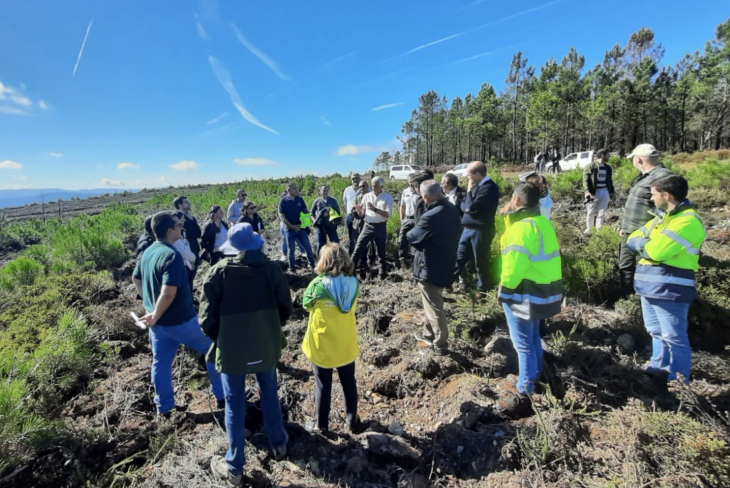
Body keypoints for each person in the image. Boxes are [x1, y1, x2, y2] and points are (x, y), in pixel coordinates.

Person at [200, 223, 293, 485]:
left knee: (234, 404)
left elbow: (206, 320)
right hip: (265, 344)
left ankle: (235, 468)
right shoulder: (272, 269)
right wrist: (268, 328)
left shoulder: (217, 273)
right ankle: (279, 445)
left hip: (231, 350)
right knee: (269, 392)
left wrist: (225, 336)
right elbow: (285, 308)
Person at [132, 211, 224, 416]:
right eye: (178, 225)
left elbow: (136, 278)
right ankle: (222, 396)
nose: (182, 227)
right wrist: (156, 311)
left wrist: (151, 308)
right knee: (214, 348)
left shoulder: (148, 251)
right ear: (169, 230)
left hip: (158, 325)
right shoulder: (171, 255)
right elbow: (168, 292)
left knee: (161, 363)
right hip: (179, 320)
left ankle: (164, 408)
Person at [627, 175, 706, 384]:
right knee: (655, 332)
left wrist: (644, 244)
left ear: (666, 194)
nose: (651, 199)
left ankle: (678, 381)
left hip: (671, 288)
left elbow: (655, 251)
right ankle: (658, 368)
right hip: (650, 286)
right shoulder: (662, 218)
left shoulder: (687, 221)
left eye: (653, 194)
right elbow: (631, 238)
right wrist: (644, 243)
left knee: (673, 337)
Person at [496, 182, 563, 417]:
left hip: (524, 293)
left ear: (516, 200)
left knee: (522, 343)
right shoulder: (542, 222)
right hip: (544, 291)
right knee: (533, 337)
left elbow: (514, 266)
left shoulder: (521, 229)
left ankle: (524, 388)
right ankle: (533, 375)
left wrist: (504, 292)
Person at [302, 243, 360, 433]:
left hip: (322, 344)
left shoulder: (317, 285)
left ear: (323, 261)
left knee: (322, 384)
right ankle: (352, 420)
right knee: (348, 381)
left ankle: (322, 426)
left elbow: (306, 305)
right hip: (345, 342)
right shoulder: (354, 282)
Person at [407, 180, 461, 356]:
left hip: (430, 265)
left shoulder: (432, 215)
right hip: (446, 262)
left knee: (434, 305)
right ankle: (427, 334)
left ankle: (441, 345)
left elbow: (413, 237)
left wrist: (411, 228)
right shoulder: (451, 208)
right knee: (431, 301)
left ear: (425, 197)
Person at [619, 143, 673, 297]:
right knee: (626, 267)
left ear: (640, 160)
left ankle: (639, 301)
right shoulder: (646, 177)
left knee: (643, 269)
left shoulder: (663, 177)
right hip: (630, 232)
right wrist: (625, 226)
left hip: (646, 236)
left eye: (634, 158)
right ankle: (627, 300)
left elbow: (668, 207)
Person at [453, 161, 500, 296]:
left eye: (469, 176)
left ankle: (483, 289)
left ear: (478, 174)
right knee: (459, 257)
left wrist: (468, 192)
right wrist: (469, 203)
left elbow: (471, 207)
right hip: (467, 229)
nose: (468, 179)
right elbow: (464, 206)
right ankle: (445, 283)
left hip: (481, 230)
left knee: (480, 260)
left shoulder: (489, 188)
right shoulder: (476, 186)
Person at [351, 176, 394, 280]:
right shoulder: (367, 196)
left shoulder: (388, 197)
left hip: (380, 226)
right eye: (373, 186)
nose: (374, 188)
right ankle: (350, 271)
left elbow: (388, 214)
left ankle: (382, 274)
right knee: (358, 247)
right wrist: (359, 211)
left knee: (381, 251)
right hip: (368, 225)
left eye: (376, 186)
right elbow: (363, 213)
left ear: (381, 186)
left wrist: (375, 209)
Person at [279, 182, 316, 271]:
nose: (296, 190)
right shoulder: (283, 201)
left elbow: (306, 213)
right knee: (291, 250)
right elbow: (281, 215)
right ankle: (292, 269)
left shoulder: (299, 199)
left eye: (296, 188)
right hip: (289, 229)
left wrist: (306, 225)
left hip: (301, 228)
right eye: (294, 188)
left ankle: (313, 266)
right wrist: (290, 226)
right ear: (288, 190)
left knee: (308, 248)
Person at [583, 148, 615, 234]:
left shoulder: (608, 168)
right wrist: (587, 191)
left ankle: (599, 231)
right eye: (608, 155)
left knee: (602, 212)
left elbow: (610, 181)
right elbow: (585, 180)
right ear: (602, 155)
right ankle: (589, 230)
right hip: (593, 192)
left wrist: (612, 192)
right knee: (590, 212)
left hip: (604, 191)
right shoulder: (590, 166)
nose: (609, 157)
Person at [173, 196, 202, 285]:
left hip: (193, 245)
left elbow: (198, 233)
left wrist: (192, 219)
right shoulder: (177, 218)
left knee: (193, 269)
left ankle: (190, 292)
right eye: (186, 202)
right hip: (184, 247)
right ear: (179, 205)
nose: (189, 203)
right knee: (188, 271)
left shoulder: (190, 217)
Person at [310, 185, 341, 254]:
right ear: (320, 192)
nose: (326, 192)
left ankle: (338, 259)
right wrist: (315, 221)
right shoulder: (317, 201)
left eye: (327, 190)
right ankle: (319, 261)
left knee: (336, 243)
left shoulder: (333, 201)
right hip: (320, 226)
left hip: (331, 225)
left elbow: (338, 212)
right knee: (321, 245)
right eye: (324, 191)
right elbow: (311, 213)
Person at [398, 181, 416, 268]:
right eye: (410, 182)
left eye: (413, 182)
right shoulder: (405, 192)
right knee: (402, 240)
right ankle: (402, 262)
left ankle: (414, 263)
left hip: (417, 220)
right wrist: (401, 219)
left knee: (415, 242)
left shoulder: (420, 192)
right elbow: (402, 206)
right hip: (407, 219)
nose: (411, 184)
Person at [343, 174, 362, 254]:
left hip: (361, 217)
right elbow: (345, 201)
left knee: (361, 236)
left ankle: (361, 254)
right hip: (350, 216)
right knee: (351, 236)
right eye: (353, 178)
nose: (355, 180)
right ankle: (351, 253)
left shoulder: (365, 188)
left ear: (359, 179)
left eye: (356, 178)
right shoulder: (347, 190)